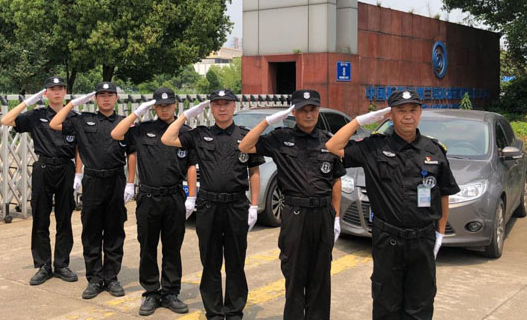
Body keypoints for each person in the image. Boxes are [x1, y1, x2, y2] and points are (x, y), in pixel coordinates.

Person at [326, 89, 460, 320]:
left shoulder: (434, 150)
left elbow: (444, 193)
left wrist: (439, 233)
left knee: (420, 304)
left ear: (420, 113)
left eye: (413, 110)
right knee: (386, 305)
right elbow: (332, 146)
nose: (408, 116)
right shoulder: (374, 147)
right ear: (390, 114)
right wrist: (360, 120)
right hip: (388, 240)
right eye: (401, 111)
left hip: (423, 240)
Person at [238, 89, 345, 320]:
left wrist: (336, 217)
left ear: (318, 110)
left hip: (322, 215)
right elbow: (244, 146)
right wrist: (267, 121)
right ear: (293, 112)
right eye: (303, 110)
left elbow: (336, 180)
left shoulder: (328, 140)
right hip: (295, 215)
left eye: (313, 109)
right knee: (294, 274)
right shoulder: (280, 138)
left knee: (320, 276)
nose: (309, 114)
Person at [161, 89, 265, 320]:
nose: (222, 108)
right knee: (210, 261)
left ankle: (234, 311)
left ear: (234, 106)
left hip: (236, 206)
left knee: (236, 261)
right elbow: (167, 139)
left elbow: (254, 172)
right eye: (216, 104)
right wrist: (186, 115)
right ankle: (214, 312)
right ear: (210, 108)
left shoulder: (245, 136)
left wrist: (254, 205)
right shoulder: (201, 134)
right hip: (209, 206)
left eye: (226, 103)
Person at [110, 87, 197, 316]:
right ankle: (151, 292)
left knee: (172, 247)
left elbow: (191, 166)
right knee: (147, 247)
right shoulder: (143, 129)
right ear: (154, 107)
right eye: (159, 105)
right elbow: (116, 134)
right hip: (148, 197)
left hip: (174, 197)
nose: (164, 109)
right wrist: (137, 113)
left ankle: (170, 292)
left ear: (175, 105)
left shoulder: (186, 132)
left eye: (168, 105)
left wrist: (191, 197)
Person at [50, 82, 128, 300]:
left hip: (115, 180)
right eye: (101, 95)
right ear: (95, 98)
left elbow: (132, 152)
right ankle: (94, 278)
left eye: (110, 94)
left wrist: (131, 184)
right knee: (91, 231)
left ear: (116, 98)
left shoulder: (124, 122)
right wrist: (73, 103)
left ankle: (111, 278)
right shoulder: (83, 120)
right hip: (93, 180)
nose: (106, 98)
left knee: (114, 231)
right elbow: (55, 123)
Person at [1, 76, 81, 286]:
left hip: (66, 168)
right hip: (43, 168)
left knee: (64, 218)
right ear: (45, 93)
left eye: (60, 88)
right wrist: (27, 102)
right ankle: (43, 265)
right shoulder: (36, 115)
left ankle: (61, 264)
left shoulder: (74, 117)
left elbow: (79, 148)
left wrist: (79, 173)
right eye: (52, 89)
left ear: (65, 92)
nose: (57, 92)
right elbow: (6, 121)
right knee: (40, 217)